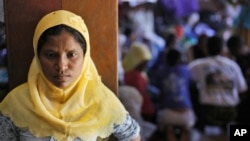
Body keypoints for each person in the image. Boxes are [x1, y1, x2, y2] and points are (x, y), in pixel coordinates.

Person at [0, 10, 141, 141]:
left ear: (85, 57)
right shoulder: (15, 104)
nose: (61, 65)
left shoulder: (102, 101)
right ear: (38, 57)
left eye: (71, 55)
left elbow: (133, 136)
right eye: (51, 55)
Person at [188, 35, 248, 132]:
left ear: (206, 48)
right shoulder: (233, 65)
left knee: (191, 86)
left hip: (208, 111)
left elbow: (182, 80)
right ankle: (238, 130)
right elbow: (243, 89)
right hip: (231, 111)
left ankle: (198, 125)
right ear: (222, 49)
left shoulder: (197, 65)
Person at [154, 48, 196, 141]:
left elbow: (157, 88)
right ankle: (185, 129)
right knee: (186, 127)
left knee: (168, 127)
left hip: (167, 114)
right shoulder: (186, 70)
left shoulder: (161, 70)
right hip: (187, 114)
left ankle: (169, 130)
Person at [122, 41, 156, 123]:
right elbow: (142, 96)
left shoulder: (130, 72)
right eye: (143, 63)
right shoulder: (136, 76)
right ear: (136, 61)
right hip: (141, 111)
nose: (145, 65)